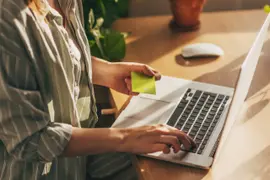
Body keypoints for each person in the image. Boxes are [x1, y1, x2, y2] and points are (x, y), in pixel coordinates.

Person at [0, 0, 196, 180]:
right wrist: (126, 137)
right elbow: (28, 139)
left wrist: (106, 71)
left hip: (81, 163)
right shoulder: (7, 19)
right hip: (43, 173)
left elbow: (51, 58)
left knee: (184, 159)